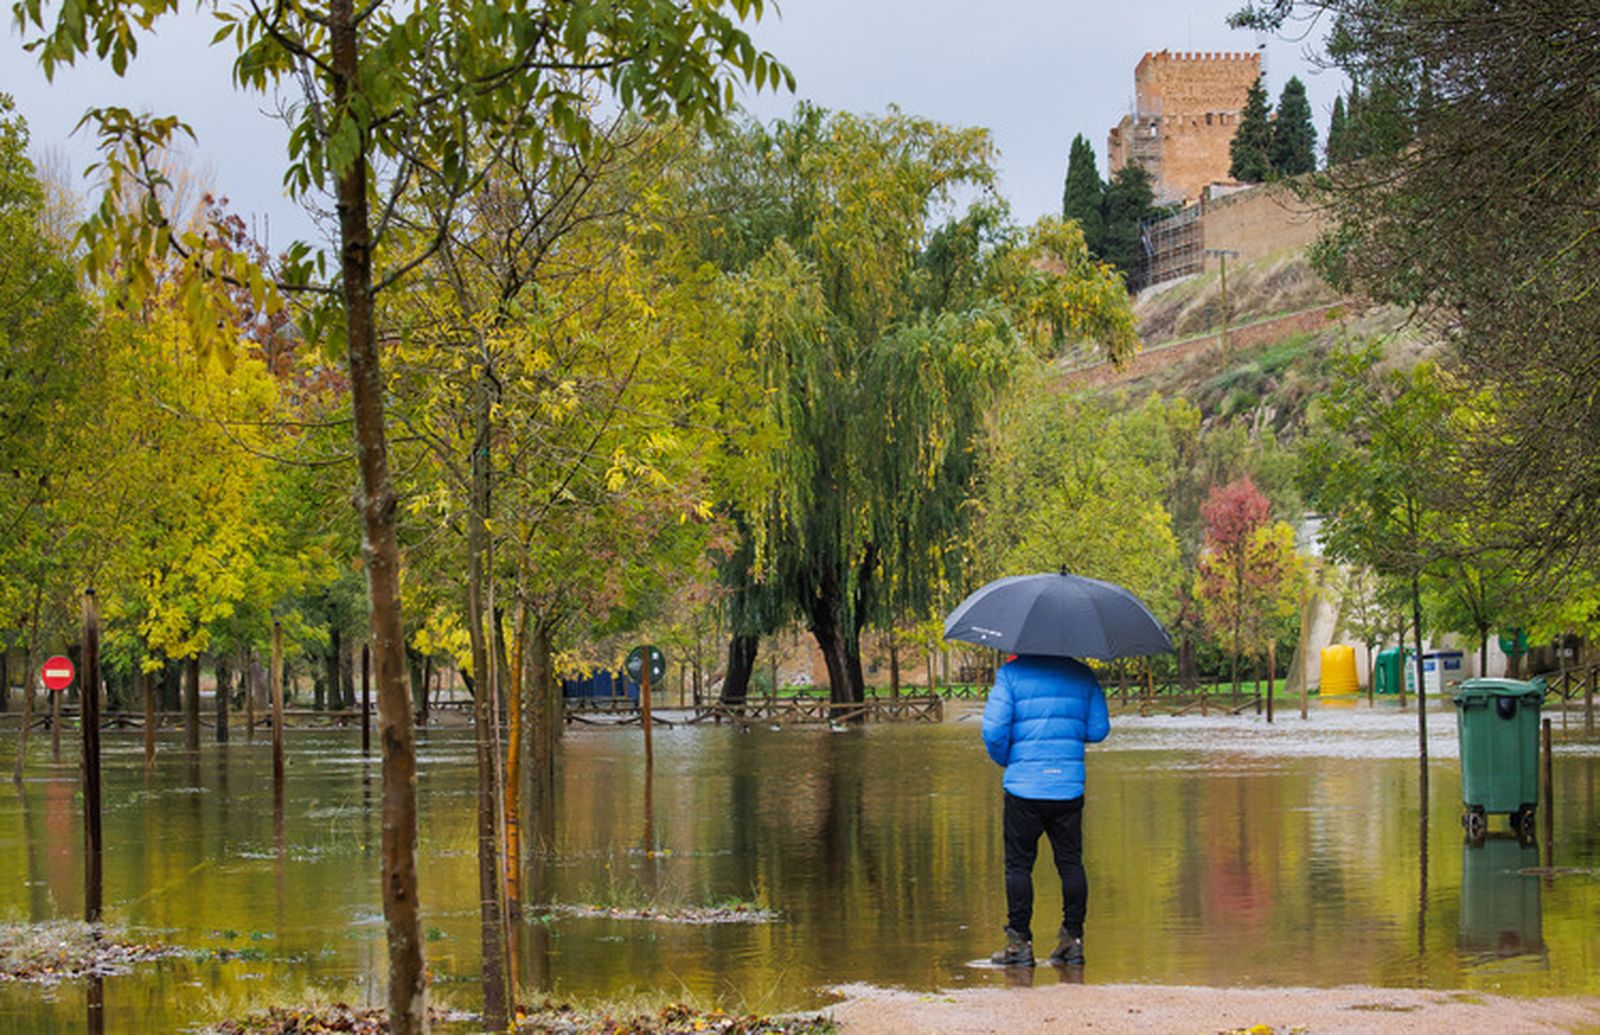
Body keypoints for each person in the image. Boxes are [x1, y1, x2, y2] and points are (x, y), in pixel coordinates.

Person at [980, 653, 1109, 967]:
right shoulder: (1082, 674)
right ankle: (1073, 941)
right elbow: (1098, 729)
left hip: (1023, 788)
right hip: (1068, 787)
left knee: (1019, 866)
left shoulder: (1011, 675)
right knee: (1070, 863)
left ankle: (1020, 944)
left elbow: (993, 731)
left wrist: (1008, 760)